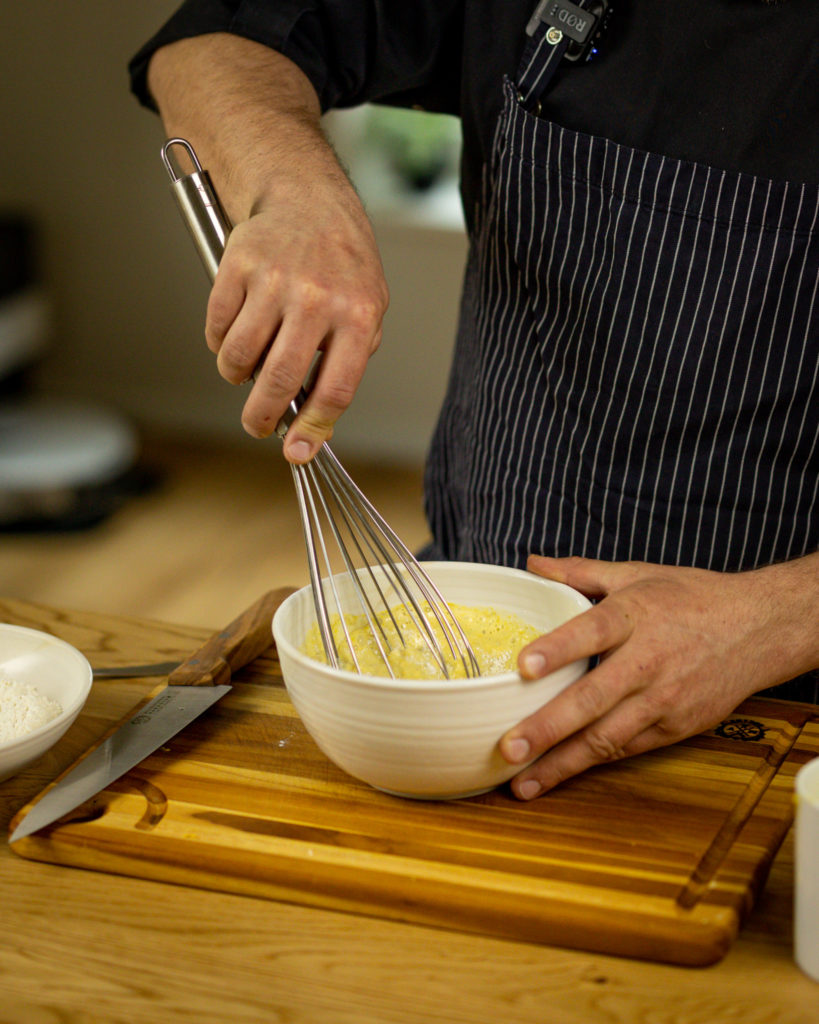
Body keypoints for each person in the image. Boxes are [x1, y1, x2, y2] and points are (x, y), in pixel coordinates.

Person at [129, 1, 819, 800]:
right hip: (457, 637)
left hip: (785, 719)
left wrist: (773, 620)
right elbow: (209, 44)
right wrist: (293, 189)